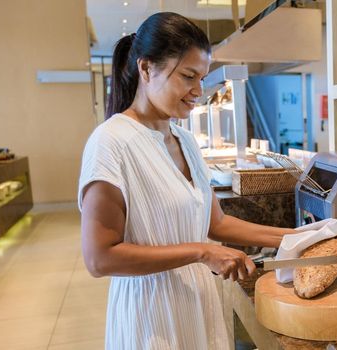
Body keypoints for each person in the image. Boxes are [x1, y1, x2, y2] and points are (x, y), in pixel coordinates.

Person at [78, 12, 295, 349]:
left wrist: (297, 237)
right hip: (151, 314)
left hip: (197, 302)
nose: (198, 90)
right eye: (188, 76)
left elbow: (216, 222)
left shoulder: (185, 140)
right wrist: (201, 252)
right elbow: (99, 258)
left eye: (203, 77)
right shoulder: (111, 142)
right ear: (146, 68)